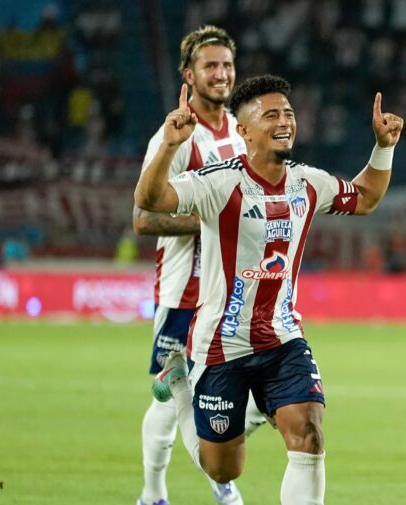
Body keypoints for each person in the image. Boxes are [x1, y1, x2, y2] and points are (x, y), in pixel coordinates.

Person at [136, 74, 403, 505]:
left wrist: (383, 147)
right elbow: (150, 200)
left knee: (309, 434)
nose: (285, 122)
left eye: (289, 113)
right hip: (221, 344)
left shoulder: (308, 182)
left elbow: (366, 197)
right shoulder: (218, 183)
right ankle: (181, 386)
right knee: (222, 467)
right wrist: (169, 146)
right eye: (271, 115)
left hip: (282, 337)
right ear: (243, 130)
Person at [132, 26, 266, 505]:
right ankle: (192, 492)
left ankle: (176, 488)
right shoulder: (176, 135)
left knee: (230, 396)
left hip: (232, 291)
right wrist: (207, 218)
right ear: (189, 74)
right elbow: (143, 218)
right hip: (184, 291)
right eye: (210, 66)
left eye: (227, 65)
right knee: (174, 402)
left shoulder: (241, 129)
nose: (221, 74)